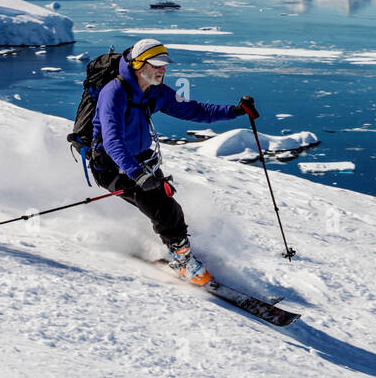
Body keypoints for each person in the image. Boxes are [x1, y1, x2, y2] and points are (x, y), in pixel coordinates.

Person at [90, 38, 257, 285]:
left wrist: (235, 111)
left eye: (165, 64)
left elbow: (194, 110)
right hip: (112, 165)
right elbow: (112, 141)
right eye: (157, 64)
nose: (163, 69)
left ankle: (177, 249)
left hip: (140, 162)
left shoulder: (155, 91)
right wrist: (137, 174)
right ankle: (182, 260)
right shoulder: (113, 93)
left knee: (167, 206)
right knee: (163, 207)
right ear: (138, 64)